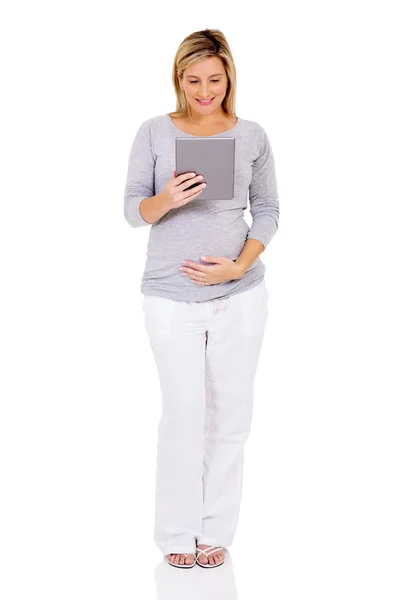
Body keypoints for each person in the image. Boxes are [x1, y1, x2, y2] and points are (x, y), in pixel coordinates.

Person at [123, 28, 279, 569]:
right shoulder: (154, 132)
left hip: (240, 294)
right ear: (178, 79)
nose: (204, 90)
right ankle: (175, 532)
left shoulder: (253, 134)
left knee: (231, 415)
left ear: (229, 77)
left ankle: (215, 530)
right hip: (170, 296)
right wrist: (165, 198)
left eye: (215, 79)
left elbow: (269, 210)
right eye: (193, 80)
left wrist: (240, 263)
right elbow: (131, 211)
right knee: (183, 415)